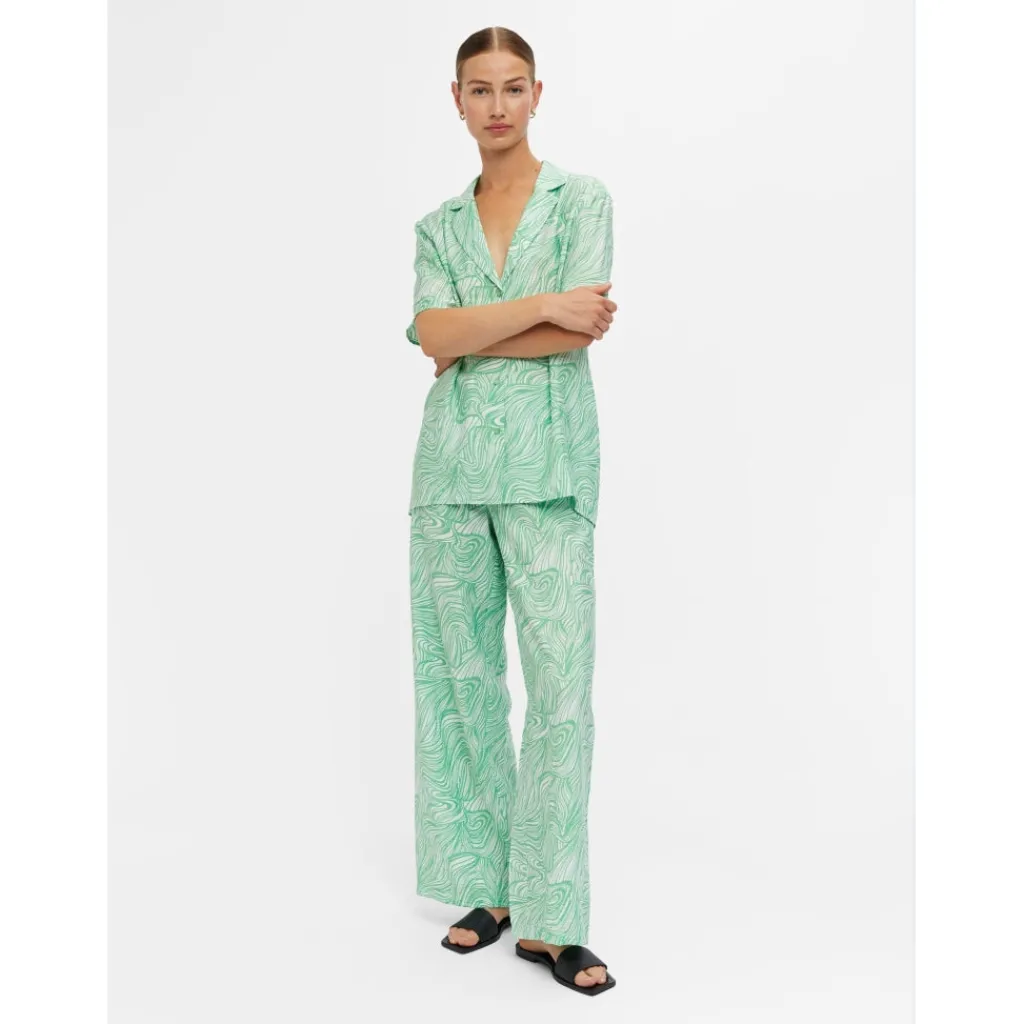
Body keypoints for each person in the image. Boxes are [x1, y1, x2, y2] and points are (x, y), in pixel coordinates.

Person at [405, 26, 617, 996]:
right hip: (451, 473)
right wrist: (537, 309)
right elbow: (430, 332)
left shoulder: (583, 201)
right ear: (456, 100)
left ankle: (553, 914)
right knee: (463, 684)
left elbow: (578, 331)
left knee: (561, 693)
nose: (497, 105)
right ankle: (485, 887)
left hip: (548, 468)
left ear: (538, 94)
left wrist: (472, 334)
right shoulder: (437, 228)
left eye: (514, 87)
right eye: (480, 89)